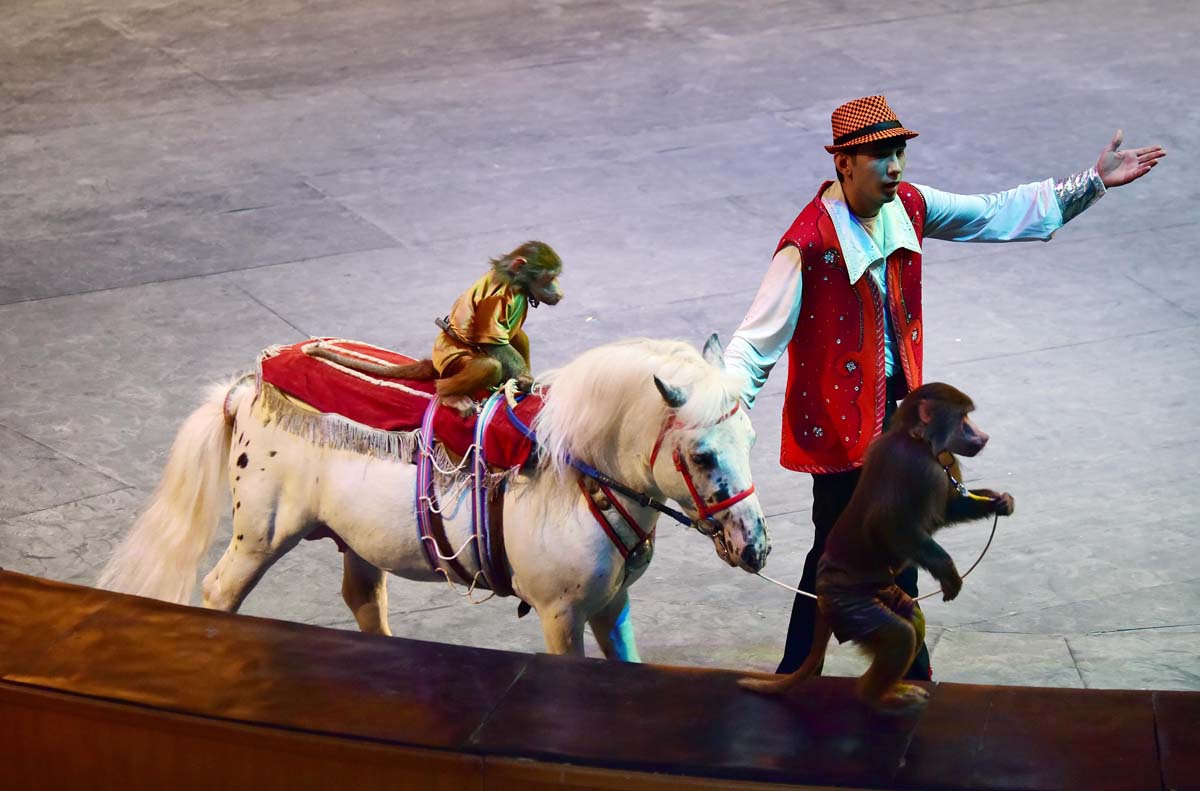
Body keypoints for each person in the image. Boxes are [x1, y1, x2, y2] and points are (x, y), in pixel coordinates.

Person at [723, 95, 1165, 678]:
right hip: (841, 432)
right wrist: (718, 414)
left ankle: (887, 671)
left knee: (886, 543)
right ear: (843, 163)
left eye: (900, 152)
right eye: (881, 155)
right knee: (839, 550)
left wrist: (1090, 184)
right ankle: (846, 671)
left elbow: (989, 212)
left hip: (903, 421)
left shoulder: (907, 205)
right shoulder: (808, 245)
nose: (896, 167)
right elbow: (755, 344)